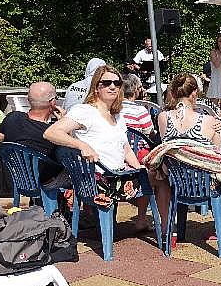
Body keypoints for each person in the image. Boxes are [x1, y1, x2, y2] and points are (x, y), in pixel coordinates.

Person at [45, 65, 153, 233]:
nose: (113, 86)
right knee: (162, 181)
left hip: (115, 175)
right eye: (107, 83)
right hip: (97, 181)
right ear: (96, 87)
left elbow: (126, 150)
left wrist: (139, 168)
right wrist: (82, 145)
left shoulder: (117, 115)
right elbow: (51, 132)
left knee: (156, 174)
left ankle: (147, 224)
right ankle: (160, 230)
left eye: (117, 83)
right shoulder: (85, 111)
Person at [153, 74, 221, 237]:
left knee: (161, 175)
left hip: (177, 181)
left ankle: (167, 229)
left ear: (173, 92)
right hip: (204, 182)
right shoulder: (209, 121)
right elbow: (218, 159)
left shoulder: (163, 118)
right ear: (194, 93)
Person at [0, 82, 67, 186]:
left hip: (16, 179)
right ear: (53, 102)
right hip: (45, 181)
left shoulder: (12, 118)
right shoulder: (52, 133)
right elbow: (70, 158)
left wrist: (10, 161)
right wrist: (63, 125)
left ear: (28, 100)